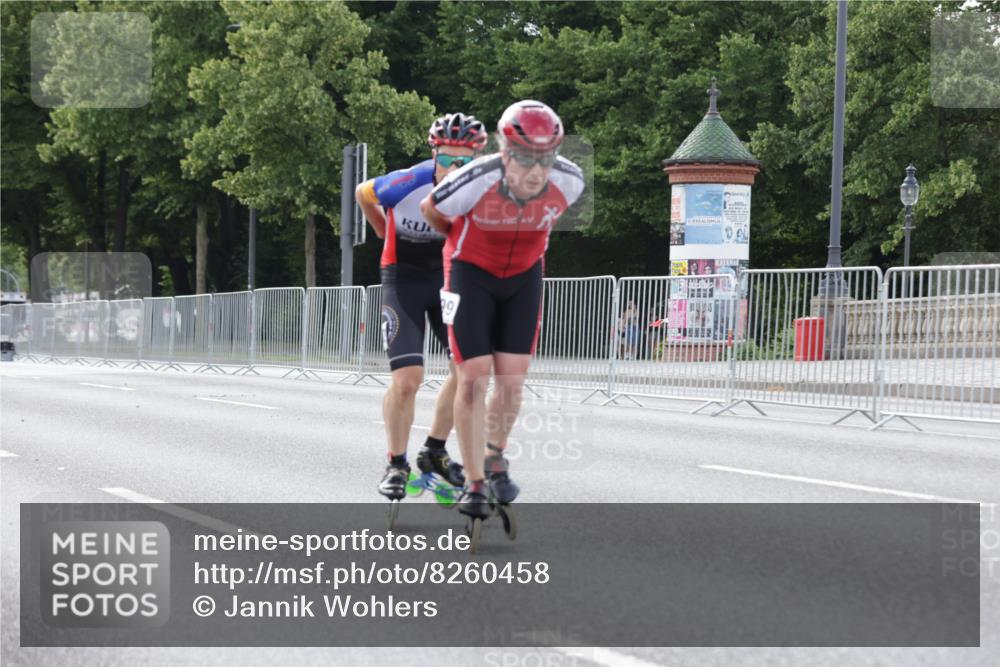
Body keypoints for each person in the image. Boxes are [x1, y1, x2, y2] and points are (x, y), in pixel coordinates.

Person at [419, 100, 584, 519]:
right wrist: (459, 240)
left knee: (511, 379)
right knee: (472, 378)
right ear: (503, 149)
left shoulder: (570, 181)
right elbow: (431, 211)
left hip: (523, 277)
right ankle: (473, 482)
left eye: (545, 159)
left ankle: (495, 460)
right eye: (524, 158)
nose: (535, 170)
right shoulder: (475, 177)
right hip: (470, 272)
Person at [355, 113, 488, 501]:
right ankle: (397, 462)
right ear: (434, 154)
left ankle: (434, 449)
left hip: (448, 277)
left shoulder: (479, 191)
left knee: (469, 372)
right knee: (408, 380)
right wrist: (384, 230)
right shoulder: (409, 182)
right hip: (404, 278)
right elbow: (364, 193)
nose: (454, 169)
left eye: (464, 162)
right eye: (447, 159)